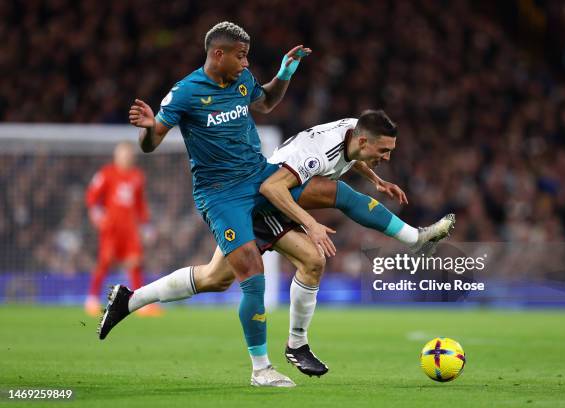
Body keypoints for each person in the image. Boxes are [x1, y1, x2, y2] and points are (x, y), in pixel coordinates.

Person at [99, 110, 455, 377]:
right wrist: (311, 222)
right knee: (335, 204)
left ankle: (129, 300)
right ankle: (415, 238)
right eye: (384, 151)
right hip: (263, 200)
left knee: (215, 278)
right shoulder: (315, 154)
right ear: (364, 140)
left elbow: (352, 157)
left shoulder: (353, 129)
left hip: (274, 200)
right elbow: (273, 187)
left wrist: (376, 178)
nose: (387, 157)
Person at [121, 21, 318, 387]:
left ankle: (130, 300)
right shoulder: (185, 93)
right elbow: (150, 145)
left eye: (247, 56)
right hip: (220, 194)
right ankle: (262, 370)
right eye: (241, 56)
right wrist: (149, 128)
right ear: (218, 54)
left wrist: (285, 73)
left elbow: (268, 102)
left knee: (322, 204)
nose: (245, 63)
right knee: (251, 275)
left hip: (259, 179)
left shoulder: (242, 81)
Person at [84, 142, 160, 317]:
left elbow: (140, 204)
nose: (126, 157)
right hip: (111, 228)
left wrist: (146, 225)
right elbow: (92, 195)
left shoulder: (137, 176)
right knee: (105, 262)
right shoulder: (106, 173)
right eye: (123, 154)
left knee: (135, 263)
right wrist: (96, 214)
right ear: (116, 156)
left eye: (129, 154)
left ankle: (141, 303)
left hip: (130, 229)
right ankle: (92, 299)